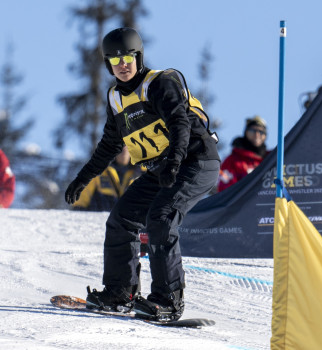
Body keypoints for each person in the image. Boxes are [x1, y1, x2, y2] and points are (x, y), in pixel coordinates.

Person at [64, 27, 220, 322]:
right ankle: (120, 293)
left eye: (127, 58)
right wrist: (83, 178)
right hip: (164, 168)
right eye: (114, 60)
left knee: (161, 217)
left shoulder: (159, 83)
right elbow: (110, 145)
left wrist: (174, 162)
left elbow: (179, 124)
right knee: (121, 218)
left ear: (138, 57)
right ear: (108, 64)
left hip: (196, 161)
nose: (122, 65)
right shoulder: (115, 99)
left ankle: (168, 300)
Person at [73, 146, 143, 211]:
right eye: (121, 145)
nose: (124, 149)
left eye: (127, 145)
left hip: (130, 223)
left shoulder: (143, 174)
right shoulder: (97, 171)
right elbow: (80, 204)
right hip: (96, 222)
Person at [217, 116, 268, 192]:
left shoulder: (271, 159)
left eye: (261, 132)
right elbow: (224, 190)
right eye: (253, 130)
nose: (257, 134)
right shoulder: (233, 161)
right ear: (246, 132)